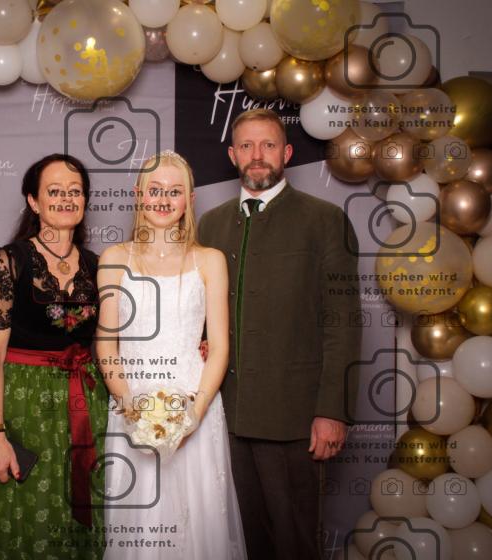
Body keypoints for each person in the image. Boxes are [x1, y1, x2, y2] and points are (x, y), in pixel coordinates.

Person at [197, 108, 362, 559]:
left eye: (268, 145)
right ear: (232, 155)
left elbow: (344, 322)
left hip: (294, 417)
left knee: (293, 541)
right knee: (241, 540)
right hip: (225, 416)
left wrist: (333, 410)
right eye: (247, 146)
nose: (257, 155)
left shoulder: (325, 220)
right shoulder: (210, 224)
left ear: (286, 153)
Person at [96, 150, 247, 559]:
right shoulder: (113, 259)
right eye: (155, 189)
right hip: (132, 408)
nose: (163, 199)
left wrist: (192, 416)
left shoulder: (210, 261)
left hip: (195, 405)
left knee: (197, 523)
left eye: (174, 191)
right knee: (139, 524)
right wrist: (131, 408)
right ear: (138, 195)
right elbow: (107, 345)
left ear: (189, 200)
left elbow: (220, 347)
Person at [0, 154, 109, 560]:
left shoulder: (99, 266)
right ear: (33, 201)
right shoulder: (10, 261)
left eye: (75, 191)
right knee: (19, 524)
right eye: (54, 191)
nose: (66, 199)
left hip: (84, 405)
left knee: (77, 521)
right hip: (23, 407)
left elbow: (114, 343)